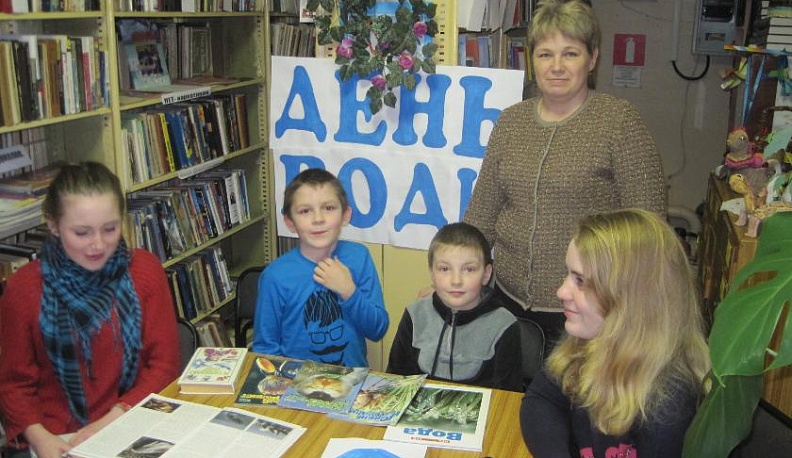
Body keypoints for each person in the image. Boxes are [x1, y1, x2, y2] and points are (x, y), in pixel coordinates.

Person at [463, 0, 666, 350]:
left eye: (570, 54)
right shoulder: (510, 122)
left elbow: (649, 229)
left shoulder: (619, 122)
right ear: (531, 60)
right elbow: (482, 213)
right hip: (506, 306)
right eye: (544, 55)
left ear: (593, 59)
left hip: (588, 315)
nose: (556, 66)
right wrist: (457, 274)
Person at [0, 162, 180, 458]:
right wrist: (40, 437)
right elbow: (14, 385)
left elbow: (162, 366)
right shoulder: (24, 288)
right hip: (54, 437)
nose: (98, 244)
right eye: (82, 232)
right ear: (54, 225)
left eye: (110, 228)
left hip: (131, 421)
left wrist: (113, 419)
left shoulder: (145, 272)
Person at [520, 209, 710, 457]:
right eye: (569, 275)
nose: (561, 292)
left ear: (630, 301)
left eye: (581, 281)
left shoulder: (669, 406)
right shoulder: (587, 343)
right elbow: (542, 399)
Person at [252, 168, 388, 367]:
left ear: (345, 215)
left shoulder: (359, 257)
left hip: (352, 383)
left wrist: (349, 291)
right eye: (305, 211)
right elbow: (266, 348)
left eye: (329, 208)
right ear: (290, 222)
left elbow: (378, 329)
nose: (318, 219)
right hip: (295, 388)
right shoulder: (275, 276)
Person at [387, 222, 524, 392]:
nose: (456, 280)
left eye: (469, 269)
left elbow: (506, 399)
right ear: (432, 272)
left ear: (486, 274)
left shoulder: (504, 325)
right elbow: (396, 383)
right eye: (444, 269)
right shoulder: (415, 314)